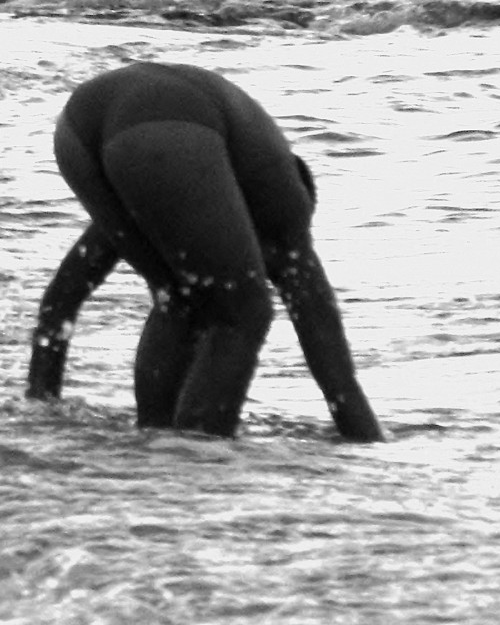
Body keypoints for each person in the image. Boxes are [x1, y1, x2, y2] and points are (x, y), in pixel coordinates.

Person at [25, 61, 383, 441]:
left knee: (179, 297)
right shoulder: (288, 212)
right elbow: (338, 379)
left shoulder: (175, 203)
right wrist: (368, 444)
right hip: (166, 123)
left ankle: (157, 444)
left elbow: (62, 297)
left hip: (76, 131)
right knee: (245, 311)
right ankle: (199, 454)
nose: (267, 268)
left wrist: (41, 402)